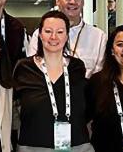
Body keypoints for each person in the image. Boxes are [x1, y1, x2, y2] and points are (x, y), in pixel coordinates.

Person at [13, 10, 92, 152]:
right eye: (48, 31)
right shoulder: (24, 67)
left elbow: (86, 107)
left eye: (60, 32)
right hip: (32, 147)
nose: (54, 37)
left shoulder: (77, 67)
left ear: (67, 35)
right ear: (40, 34)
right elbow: (12, 106)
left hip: (77, 146)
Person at [27, 0, 107, 77]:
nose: (72, 2)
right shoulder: (40, 34)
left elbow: (99, 75)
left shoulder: (99, 37)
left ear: (83, 2)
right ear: (58, 1)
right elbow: (33, 69)